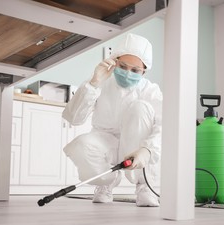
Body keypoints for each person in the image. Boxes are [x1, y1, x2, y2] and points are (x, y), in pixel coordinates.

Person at [62, 33, 162, 207]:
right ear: (114, 61)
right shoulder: (101, 81)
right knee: (81, 145)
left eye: (135, 70)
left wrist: (147, 150)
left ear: (144, 71)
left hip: (135, 144)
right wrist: (94, 83)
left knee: (141, 107)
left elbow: (164, 124)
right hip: (105, 140)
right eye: (122, 66)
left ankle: (144, 185)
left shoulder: (150, 90)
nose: (127, 73)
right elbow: (74, 118)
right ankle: (106, 183)